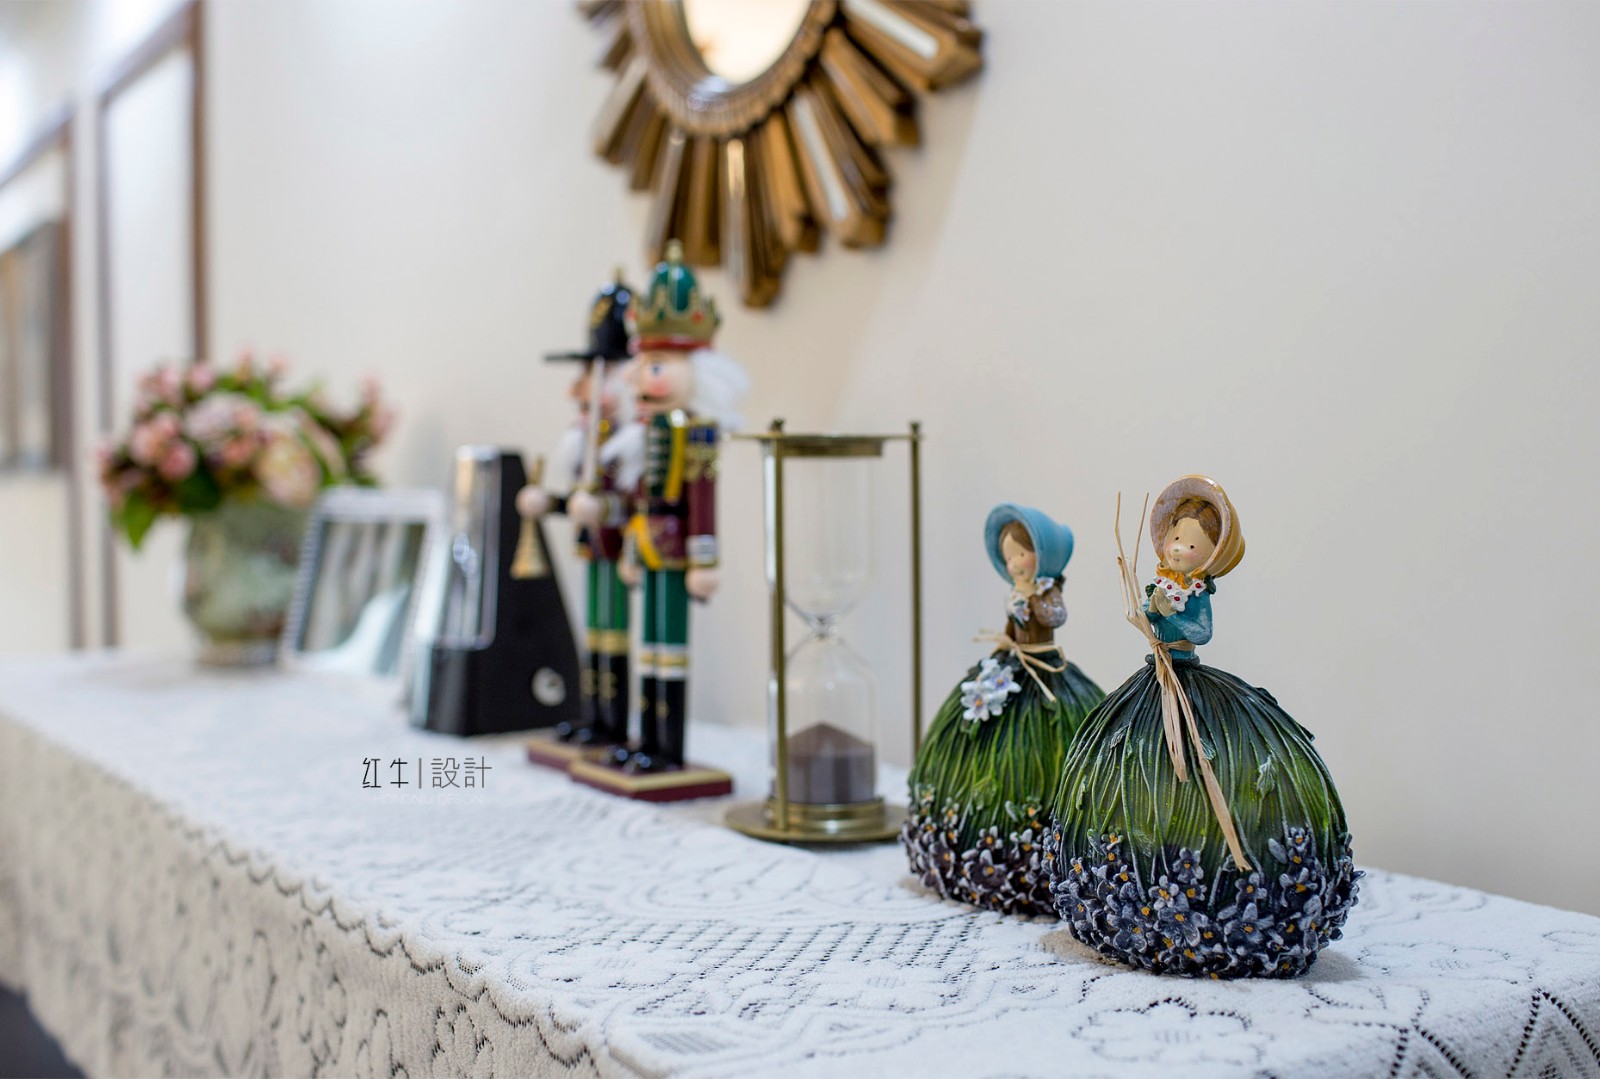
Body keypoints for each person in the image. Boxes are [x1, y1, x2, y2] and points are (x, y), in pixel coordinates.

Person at [1045, 475, 1360, 977]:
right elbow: (1149, 615)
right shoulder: (1163, 582)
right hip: (1156, 677)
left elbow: (1200, 631)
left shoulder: (1194, 591)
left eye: (1192, 543)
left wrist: (1170, 616)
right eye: (1176, 538)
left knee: (1203, 765)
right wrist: (1151, 613)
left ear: (1211, 555)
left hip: (1184, 676)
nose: (1179, 547)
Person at [902, 504, 1104, 915]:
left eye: (1021, 554)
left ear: (1042, 556)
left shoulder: (1045, 590)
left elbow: (1054, 618)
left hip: (1044, 670)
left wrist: (1038, 601)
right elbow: (1014, 630)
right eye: (1009, 556)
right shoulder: (1018, 590)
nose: (1014, 564)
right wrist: (1007, 637)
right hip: (1011, 666)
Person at [612, 241, 749, 774]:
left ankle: (666, 746)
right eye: (640, 363)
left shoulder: (697, 434)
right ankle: (645, 737)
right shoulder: (642, 432)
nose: (636, 377)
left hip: (674, 552)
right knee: (647, 649)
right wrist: (630, 549)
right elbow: (636, 498)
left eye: (655, 365)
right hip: (647, 546)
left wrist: (705, 559)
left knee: (669, 650)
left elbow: (703, 501)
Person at [517, 272, 645, 747]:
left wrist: (604, 507)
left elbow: (636, 502)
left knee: (615, 635)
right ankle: (593, 714)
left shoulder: (633, 445)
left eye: (595, 376)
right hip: (593, 550)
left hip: (619, 550)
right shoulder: (587, 442)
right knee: (593, 634)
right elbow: (577, 500)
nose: (578, 390)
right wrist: (548, 502)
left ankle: (615, 721)